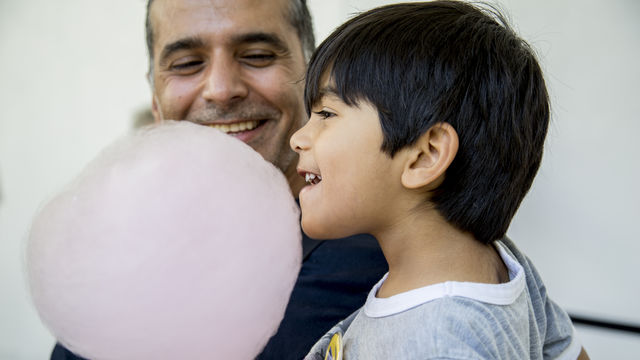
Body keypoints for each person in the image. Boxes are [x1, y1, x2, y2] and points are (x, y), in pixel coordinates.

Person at [50, 1, 387, 359]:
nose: (222, 89)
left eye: (256, 55)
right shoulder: (114, 274)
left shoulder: (388, 266)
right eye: (187, 64)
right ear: (155, 101)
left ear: (314, 79)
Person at [291, 1, 590, 359]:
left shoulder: (442, 342)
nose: (298, 138)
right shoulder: (503, 262)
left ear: (425, 155)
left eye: (326, 113)